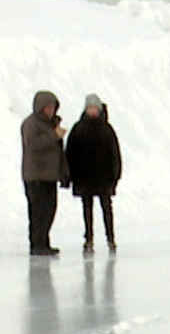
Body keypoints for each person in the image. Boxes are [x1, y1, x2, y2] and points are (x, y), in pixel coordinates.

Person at [66, 93, 123, 255]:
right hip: (84, 177)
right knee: (87, 208)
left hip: (103, 177)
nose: (92, 111)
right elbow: (70, 153)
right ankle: (88, 237)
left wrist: (115, 175)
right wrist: (71, 175)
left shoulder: (107, 129)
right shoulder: (78, 129)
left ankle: (110, 237)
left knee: (106, 207)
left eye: (94, 108)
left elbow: (115, 155)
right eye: (89, 108)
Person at [21, 90, 69, 256]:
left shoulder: (52, 125)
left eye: (52, 107)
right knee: (38, 212)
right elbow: (33, 143)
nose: (50, 111)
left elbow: (58, 152)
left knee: (49, 210)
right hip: (35, 176)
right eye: (47, 107)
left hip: (50, 176)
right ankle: (37, 244)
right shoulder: (31, 124)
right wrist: (54, 135)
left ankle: (44, 242)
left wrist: (63, 173)